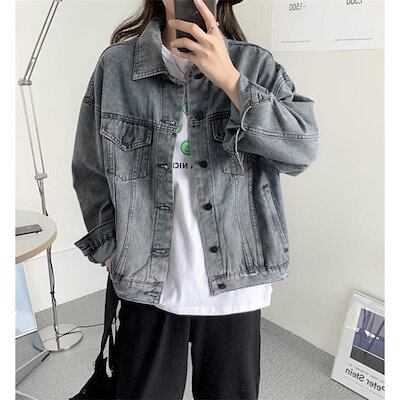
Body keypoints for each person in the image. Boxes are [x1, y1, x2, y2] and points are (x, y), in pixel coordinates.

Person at [71, 0, 319, 398]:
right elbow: (90, 166)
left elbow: (302, 150)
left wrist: (232, 82)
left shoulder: (255, 66)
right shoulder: (116, 68)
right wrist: (109, 248)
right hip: (144, 279)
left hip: (235, 283)